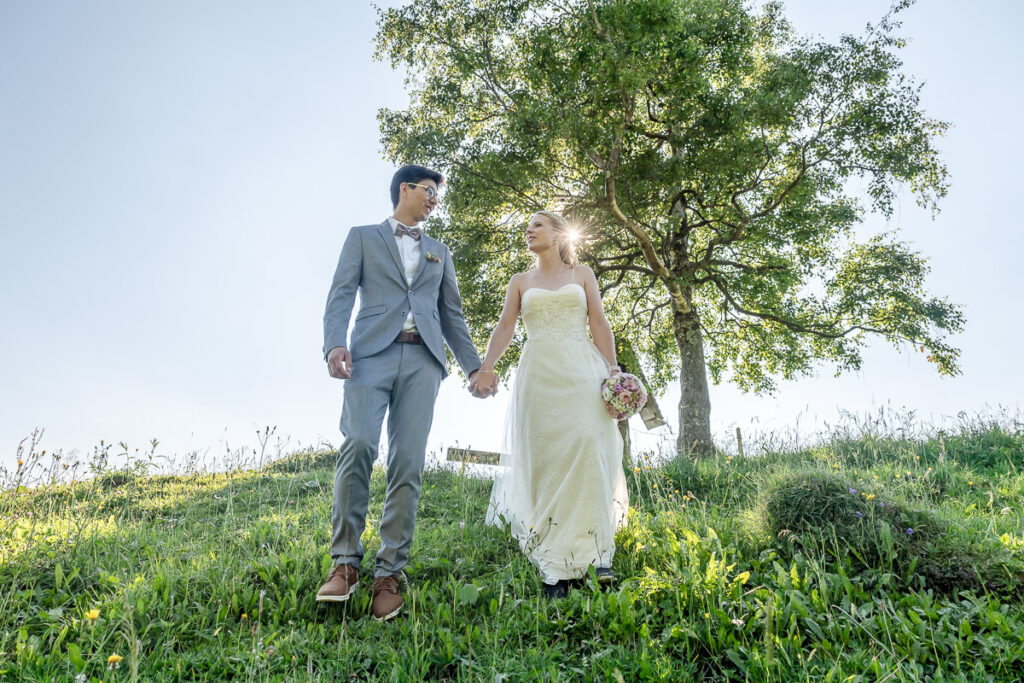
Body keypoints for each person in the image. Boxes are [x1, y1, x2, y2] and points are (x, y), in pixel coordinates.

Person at [318, 164, 496, 620]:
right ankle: (344, 564)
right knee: (358, 444)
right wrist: (335, 342)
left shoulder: (440, 252)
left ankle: (388, 573)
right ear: (405, 189)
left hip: (423, 363)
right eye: (429, 191)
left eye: (438, 194)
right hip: (368, 358)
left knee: (408, 463)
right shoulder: (362, 237)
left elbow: (452, 315)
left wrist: (475, 367)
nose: (435, 200)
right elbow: (341, 294)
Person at [481, 211, 629, 598]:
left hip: (581, 370)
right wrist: (486, 367)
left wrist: (613, 370)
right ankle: (555, 563)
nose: (529, 230)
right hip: (538, 374)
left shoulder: (584, 275)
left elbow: (598, 322)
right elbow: (505, 327)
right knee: (545, 457)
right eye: (527, 227)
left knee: (587, 443)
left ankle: (596, 552)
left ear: (559, 233)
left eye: (537, 225)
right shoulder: (520, 281)